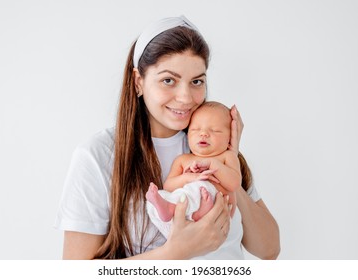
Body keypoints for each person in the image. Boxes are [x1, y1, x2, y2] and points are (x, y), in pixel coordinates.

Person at [55, 15, 280, 260]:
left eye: (196, 81)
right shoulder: (98, 156)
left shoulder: (209, 145)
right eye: (168, 80)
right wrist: (175, 253)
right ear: (138, 81)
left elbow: (269, 249)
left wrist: (230, 161)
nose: (185, 97)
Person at [146, 101, 241, 238]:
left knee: (203, 188)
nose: (203, 134)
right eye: (195, 129)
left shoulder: (227, 157)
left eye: (214, 130)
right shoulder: (183, 160)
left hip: (217, 216)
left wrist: (212, 164)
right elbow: (169, 185)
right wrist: (190, 177)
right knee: (165, 196)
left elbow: (234, 184)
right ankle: (168, 209)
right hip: (184, 217)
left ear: (229, 138)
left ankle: (201, 211)